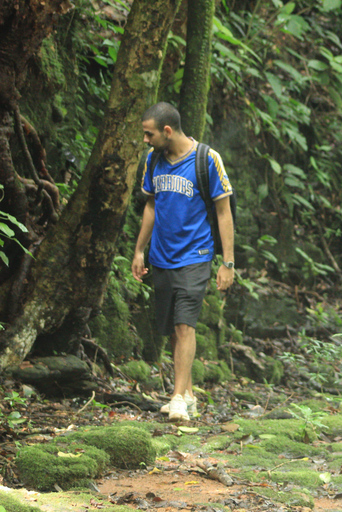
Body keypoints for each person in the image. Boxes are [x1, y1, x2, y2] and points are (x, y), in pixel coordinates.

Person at [131, 102, 235, 421]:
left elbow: (223, 212)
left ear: (167, 131)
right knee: (174, 331)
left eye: (149, 134)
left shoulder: (207, 159)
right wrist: (139, 250)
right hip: (162, 256)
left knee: (184, 324)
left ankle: (176, 398)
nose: (145, 140)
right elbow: (150, 206)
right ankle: (188, 395)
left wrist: (227, 263)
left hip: (196, 255)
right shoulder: (153, 160)